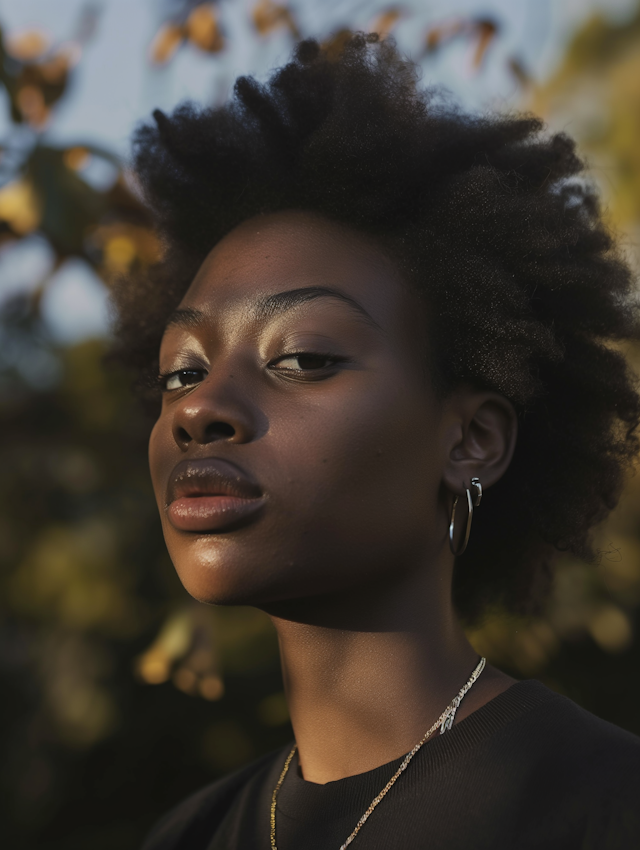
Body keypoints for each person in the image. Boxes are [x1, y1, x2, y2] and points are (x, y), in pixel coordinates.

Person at [113, 33, 640, 850]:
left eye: (302, 358)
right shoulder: (189, 835)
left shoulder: (604, 805)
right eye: (180, 372)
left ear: (471, 440)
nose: (199, 409)